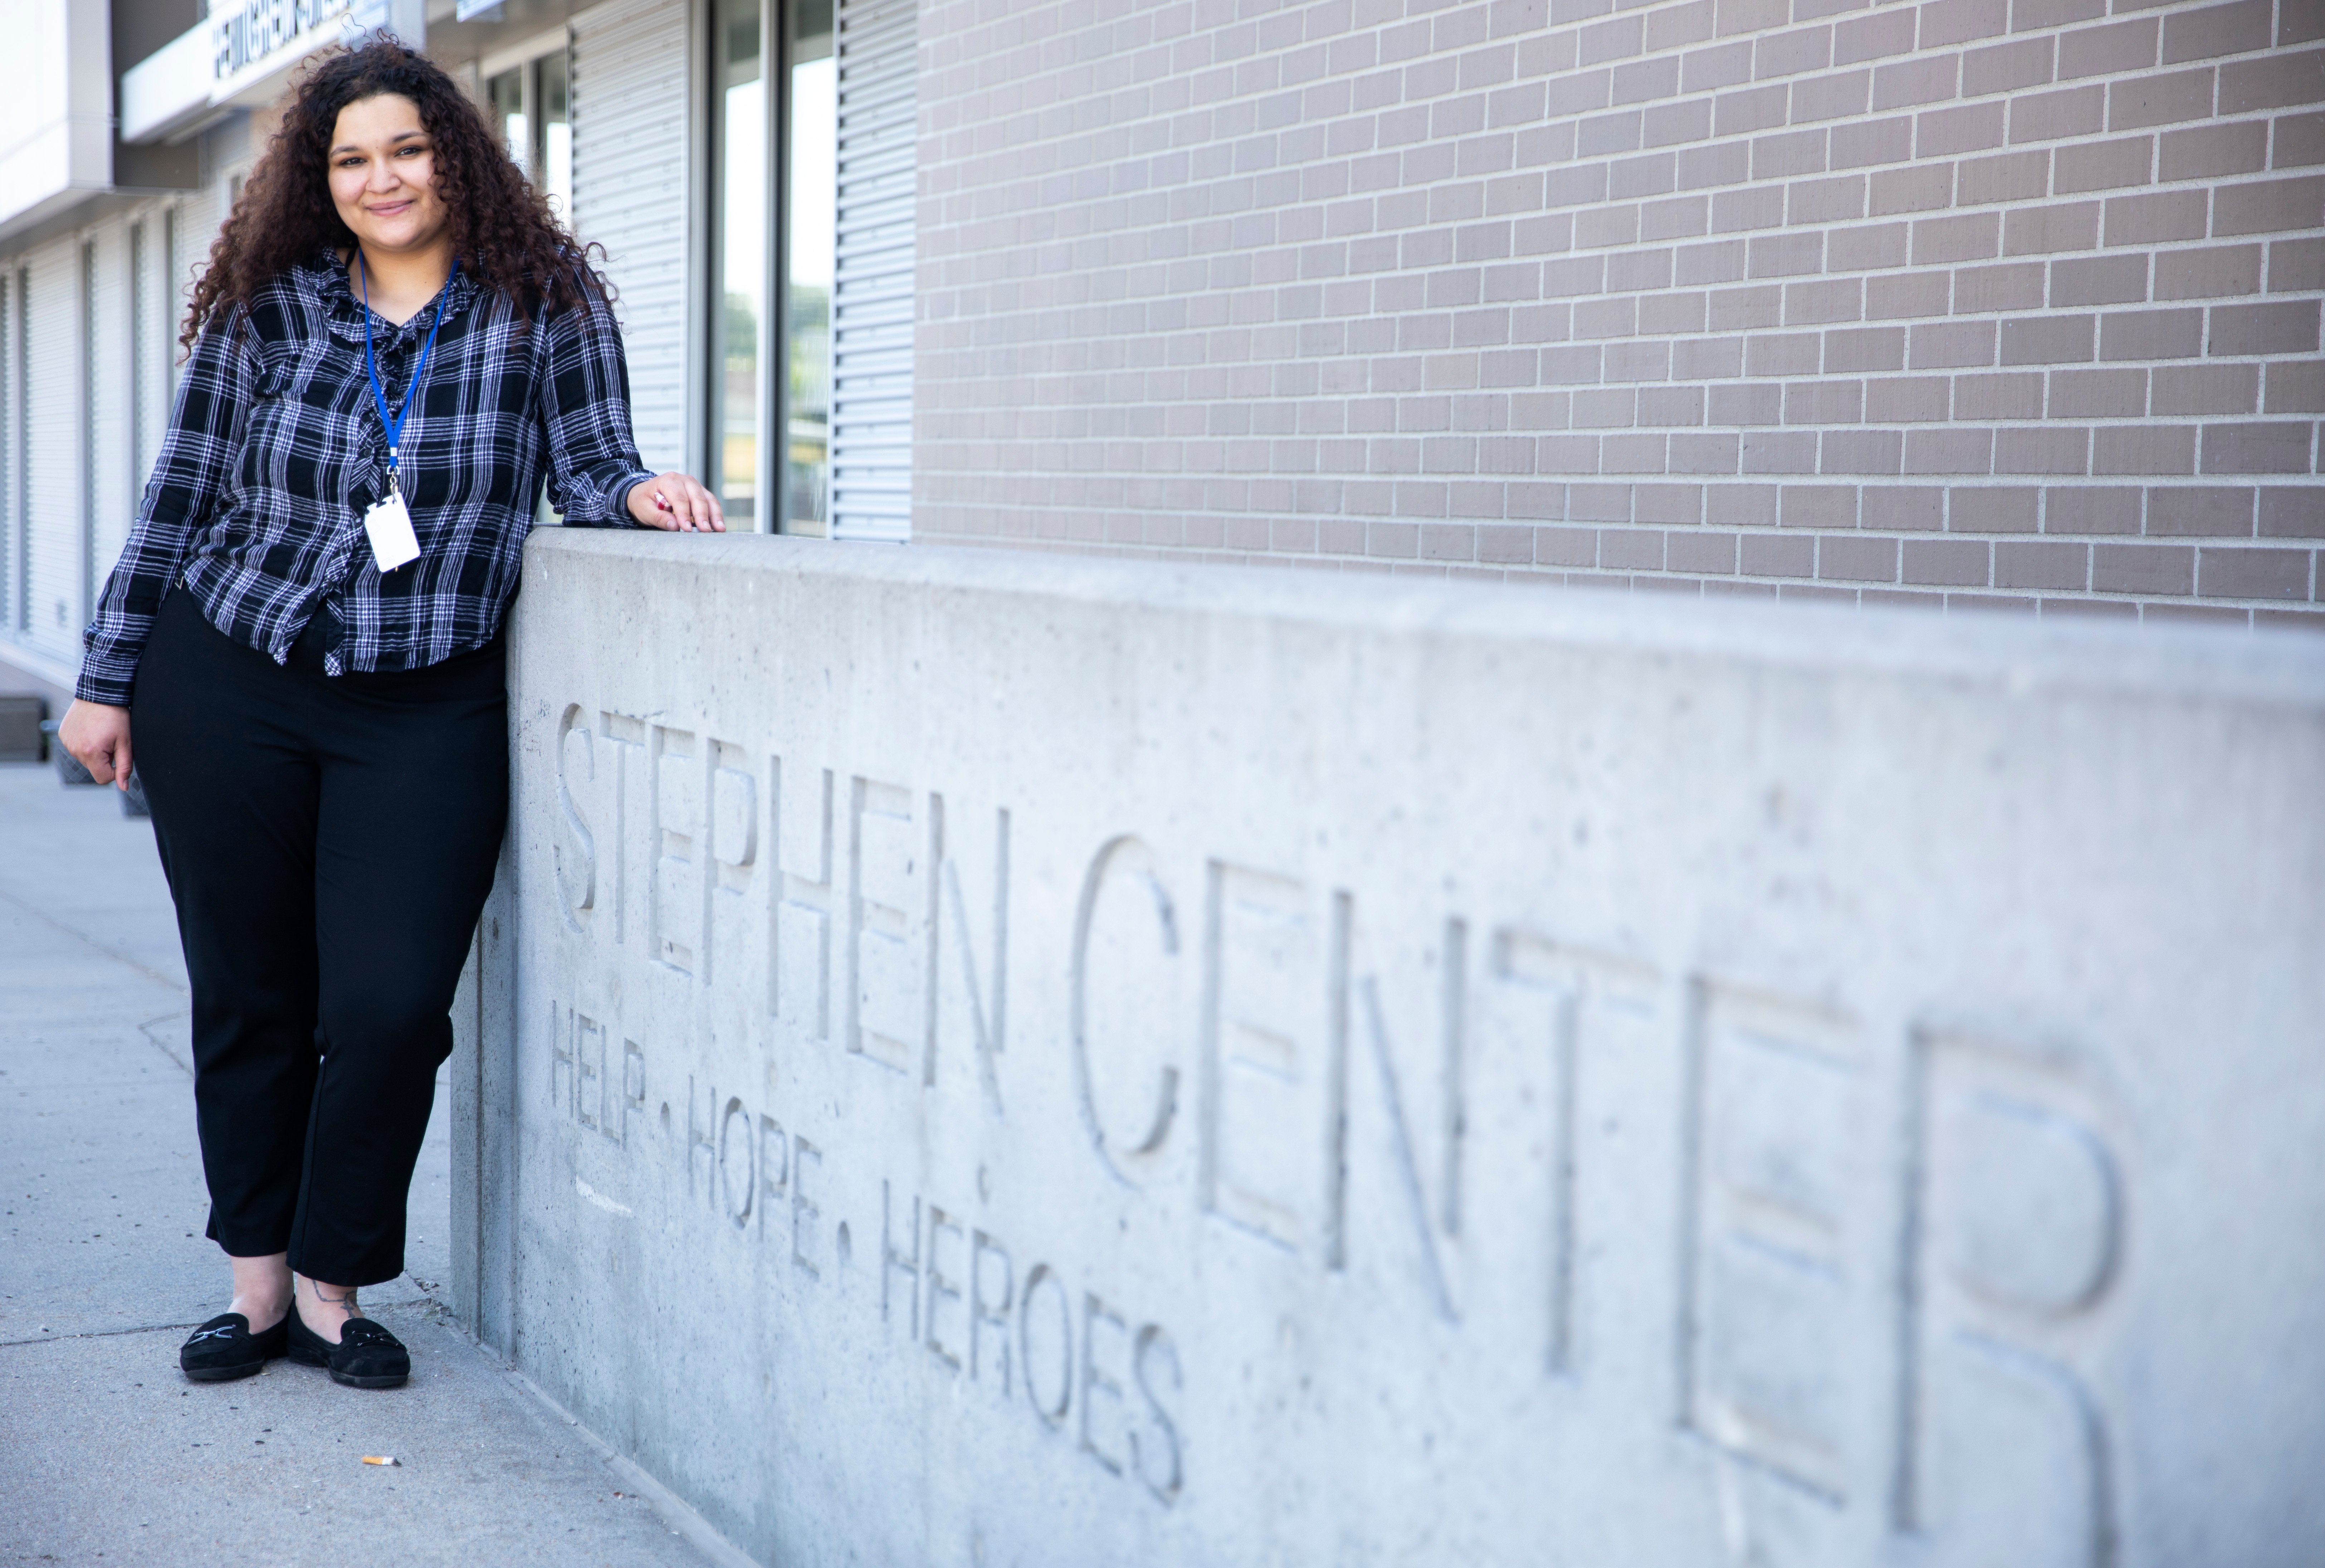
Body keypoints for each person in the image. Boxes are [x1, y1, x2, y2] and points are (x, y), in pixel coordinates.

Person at [57, 38, 723, 1391]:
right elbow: (179, 496)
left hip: (425, 701)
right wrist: (107, 675)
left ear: (454, 157)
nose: (383, 179)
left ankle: (333, 1281)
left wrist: (638, 490)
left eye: (407, 151)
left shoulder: (546, 300)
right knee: (250, 992)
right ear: (323, 177)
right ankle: (257, 1290)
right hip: (230, 673)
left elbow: (587, 459)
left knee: (392, 1002)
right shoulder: (268, 306)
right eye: (353, 158)